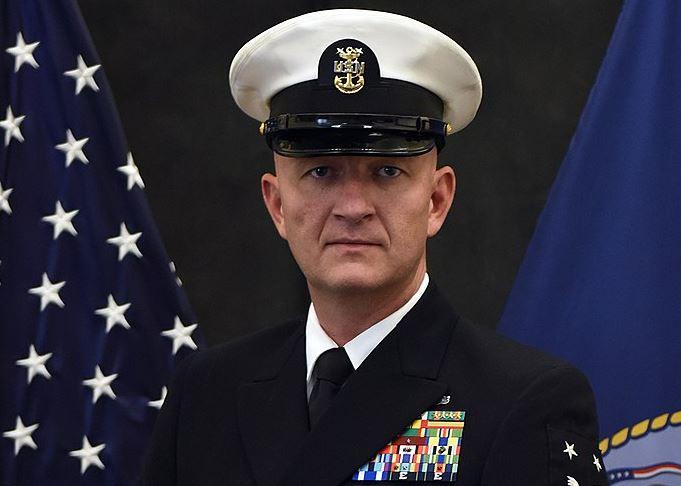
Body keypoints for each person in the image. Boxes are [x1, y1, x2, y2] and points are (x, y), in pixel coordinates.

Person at [140, 9, 609, 486]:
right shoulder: (206, 393)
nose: (353, 207)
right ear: (277, 204)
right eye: (320, 172)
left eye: (387, 172)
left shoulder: (523, 401)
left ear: (437, 200)